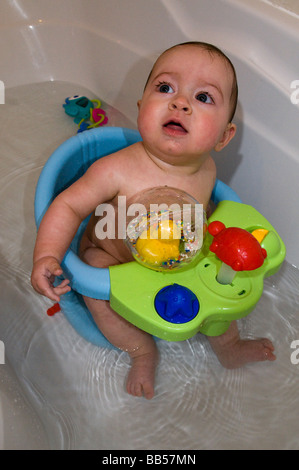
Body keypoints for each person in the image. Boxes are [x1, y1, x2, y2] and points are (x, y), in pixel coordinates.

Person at [31, 42, 276, 400]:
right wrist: (47, 255)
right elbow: (67, 206)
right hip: (113, 255)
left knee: (219, 287)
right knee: (97, 292)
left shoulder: (207, 170)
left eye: (204, 97)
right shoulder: (116, 169)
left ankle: (229, 346)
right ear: (141, 108)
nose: (180, 102)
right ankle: (141, 351)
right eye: (165, 88)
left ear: (223, 136)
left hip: (176, 256)